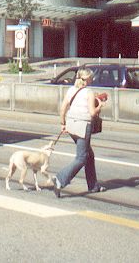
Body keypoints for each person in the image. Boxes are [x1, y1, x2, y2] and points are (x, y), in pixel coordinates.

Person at [53, 68, 107, 197]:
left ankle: (93, 186)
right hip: (83, 126)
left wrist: (63, 124)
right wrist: (100, 105)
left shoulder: (71, 90)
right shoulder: (89, 92)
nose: (92, 79)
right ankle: (60, 179)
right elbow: (93, 113)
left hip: (71, 125)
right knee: (81, 158)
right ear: (87, 78)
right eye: (91, 77)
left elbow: (62, 109)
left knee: (89, 155)